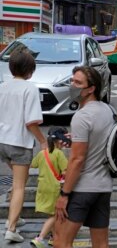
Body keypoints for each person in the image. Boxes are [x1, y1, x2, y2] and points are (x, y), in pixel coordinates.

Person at [54, 66, 115, 248]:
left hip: (82, 189)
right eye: (72, 81)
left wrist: (64, 194)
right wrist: (76, 141)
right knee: (101, 244)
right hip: (103, 187)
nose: (73, 85)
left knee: (60, 241)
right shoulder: (108, 110)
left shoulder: (82, 117)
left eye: (78, 83)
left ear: (91, 88)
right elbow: (99, 142)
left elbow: (77, 160)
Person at [0, 50, 47, 243]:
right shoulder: (29, 88)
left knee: (18, 180)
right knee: (20, 185)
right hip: (19, 143)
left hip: (1, 141)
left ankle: (15, 216)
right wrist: (43, 141)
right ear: (30, 70)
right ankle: (11, 228)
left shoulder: (2, 86)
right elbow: (31, 122)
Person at [30, 127, 69, 248]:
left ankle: (53, 237)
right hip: (54, 189)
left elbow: (33, 164)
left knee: (52, 214)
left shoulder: (42, 153)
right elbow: (66, 170)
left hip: (42, 188)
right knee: (54, 215)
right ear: (59, 141)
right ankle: (40, 238)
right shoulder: (59, 154)